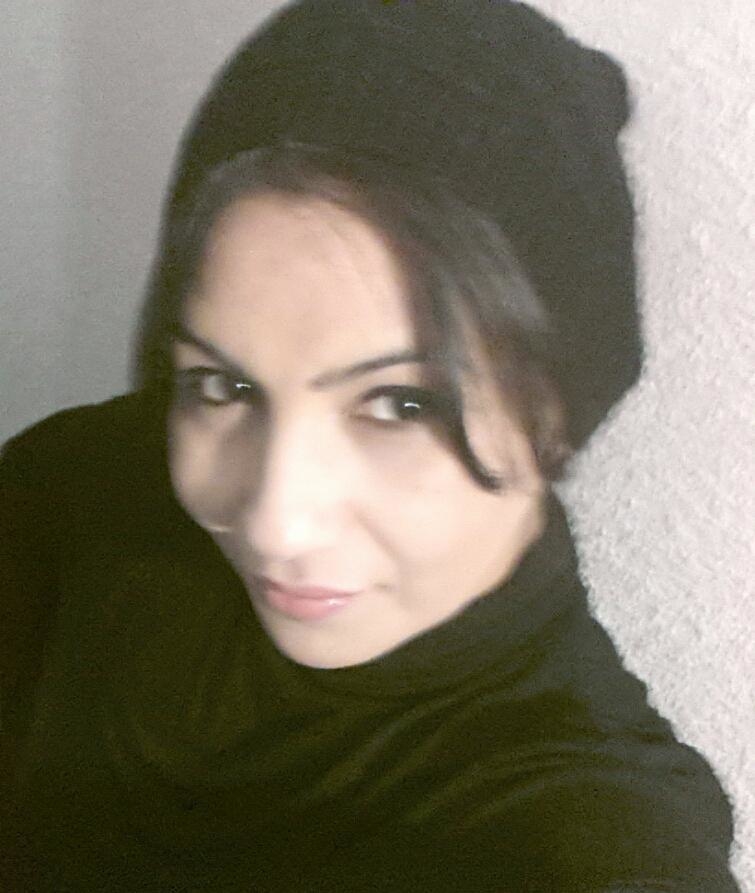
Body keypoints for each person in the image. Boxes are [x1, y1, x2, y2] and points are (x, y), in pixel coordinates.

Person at [0, 2, 741, 890]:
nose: (273, 524)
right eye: (223, 386)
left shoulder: (581, 835)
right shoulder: (81, 481)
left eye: (400, 403)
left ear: (559, 408)